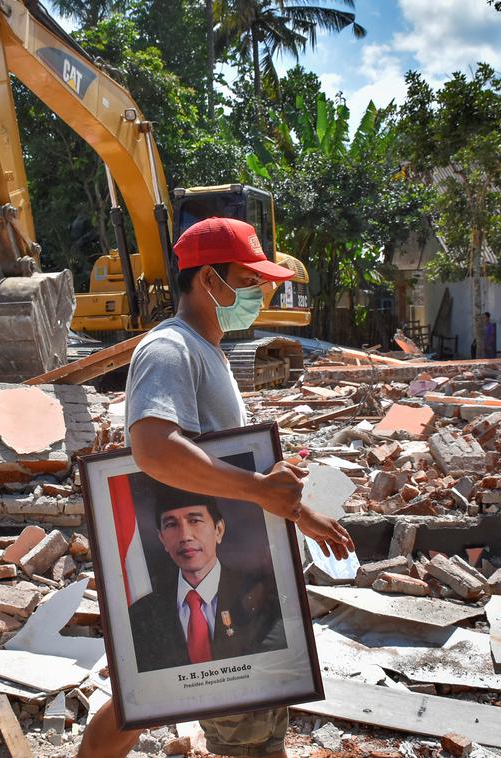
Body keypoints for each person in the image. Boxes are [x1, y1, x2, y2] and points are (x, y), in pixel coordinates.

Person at [78, 216, 354, 758]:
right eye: (249, 280)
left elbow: (224, 470)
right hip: (210, 572)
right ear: (209, 281)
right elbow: (154, 449)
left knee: (146, 696)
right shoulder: (169, 350)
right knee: (243, 731)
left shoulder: (209, 351)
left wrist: (299, 513)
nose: (261, 291)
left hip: (226, 566)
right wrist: (258, 487)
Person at [128, 479, 285, 673]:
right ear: (162, 539)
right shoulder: (141, 615)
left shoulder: (261, 598)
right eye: (171, 524)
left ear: (218, 530)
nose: (185, 536)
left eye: (195, 520)